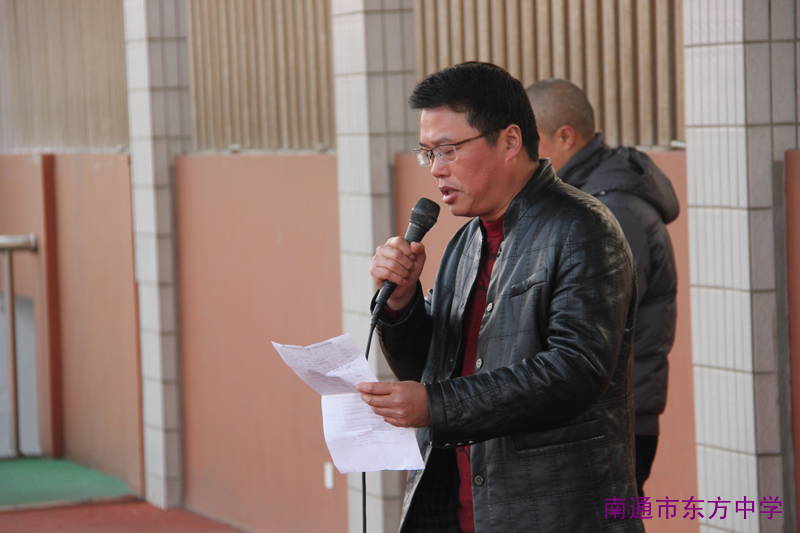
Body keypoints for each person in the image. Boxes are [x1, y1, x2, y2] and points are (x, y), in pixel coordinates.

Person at [356, 62, 642, 533]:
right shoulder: (465, 243)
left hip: (554, 513)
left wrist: (436, 405)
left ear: (510, 141)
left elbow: (574, 371)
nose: (437, 169)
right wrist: (401, 304)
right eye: (428, 153)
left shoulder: (583, 228)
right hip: (460, 509)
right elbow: (428, 368)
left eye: (449, 150)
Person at [526, 78, 679, 496]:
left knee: (609, 519)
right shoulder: (584, 197)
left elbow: (601, 319)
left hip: (613, 419)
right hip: (596, 415)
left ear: (565, 136)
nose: (522, 156)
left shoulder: (612, 209)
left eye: (531, 141)